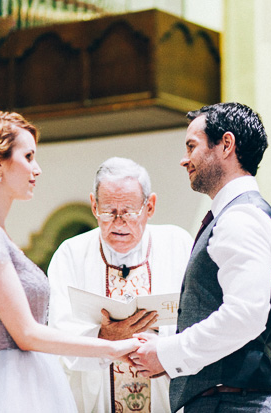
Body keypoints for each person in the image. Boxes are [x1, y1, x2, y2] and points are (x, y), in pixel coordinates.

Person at [0, 106, 139, 412]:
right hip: (6, 389)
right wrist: (111, 348)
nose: (37, 169)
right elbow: (26, 334)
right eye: (29, 157)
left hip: (27, 381)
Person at [131, 102, 271, 413]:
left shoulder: (241, 218)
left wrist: (167, 354)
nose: (184, 159)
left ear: (226, 145)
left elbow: (244, 315)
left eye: (192, 146)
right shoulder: (233, 215)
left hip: (234, 404)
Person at [48, 157, 193, 413]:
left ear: (150, 206)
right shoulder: (70, 254)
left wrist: (164, 353)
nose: (118, 222)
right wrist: (106, 339)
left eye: (128, 211)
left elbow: (199, 323)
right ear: (94, 205)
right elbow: (59, 337)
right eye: (108, 211)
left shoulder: (178, 245)